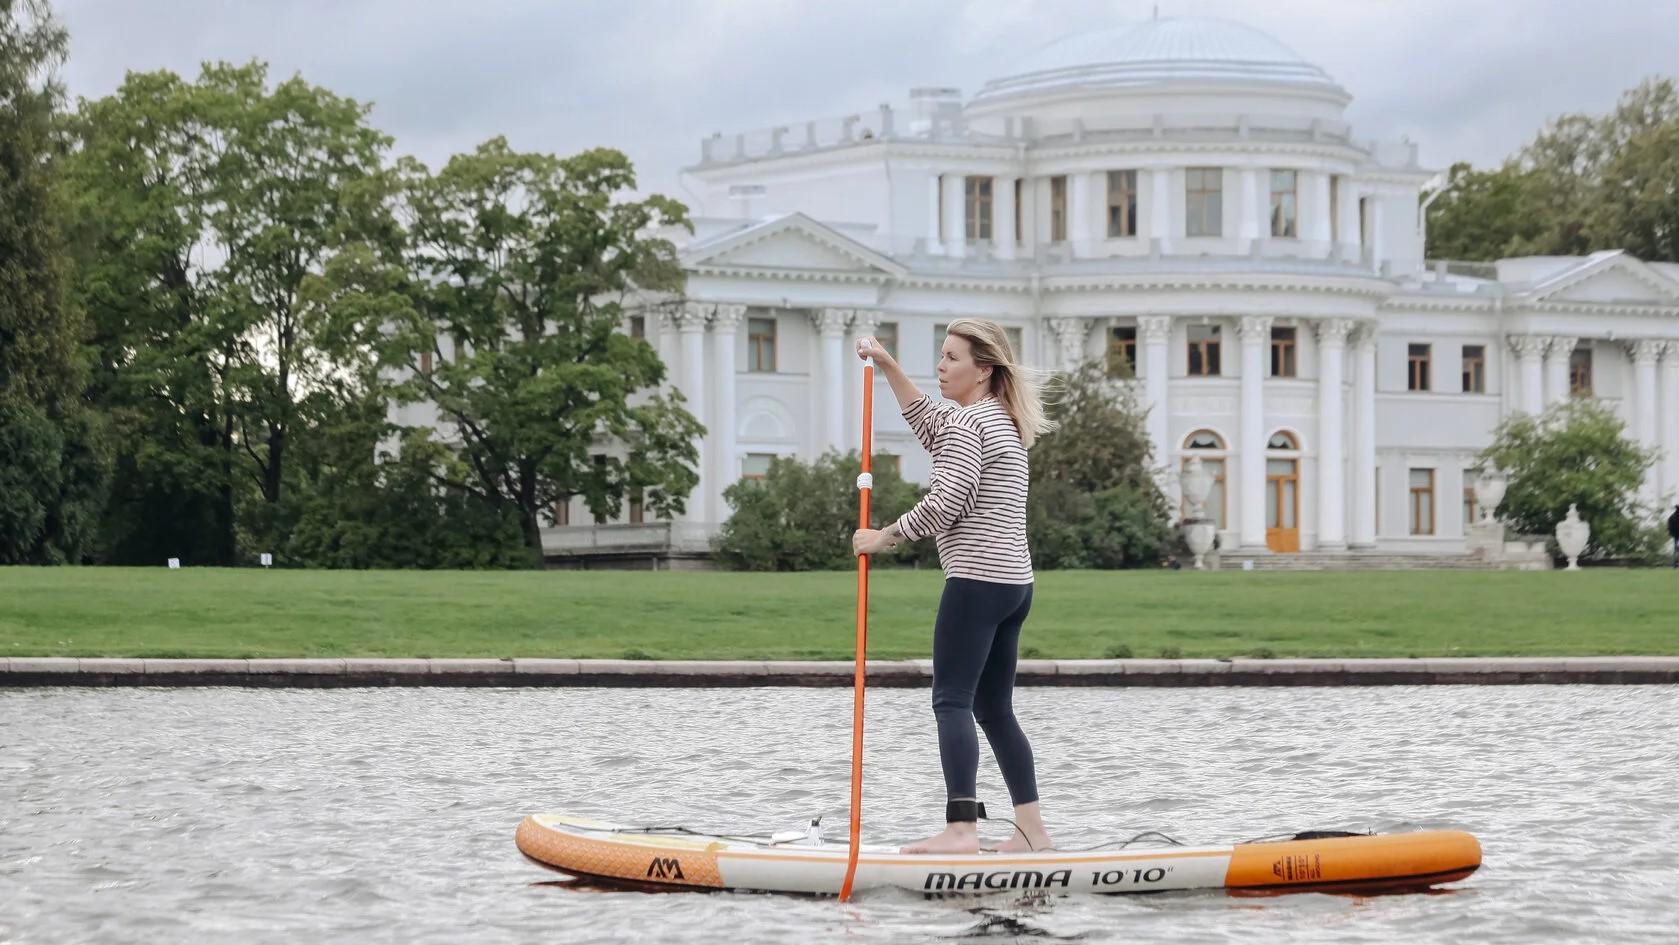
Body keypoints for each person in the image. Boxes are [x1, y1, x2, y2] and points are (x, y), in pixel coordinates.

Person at [851, 319, 1055, 855]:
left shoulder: (969, 426)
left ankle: (962, 829)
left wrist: (885, 537)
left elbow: (948, 504)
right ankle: (1032, 832)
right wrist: (887, 364)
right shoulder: (997, 420)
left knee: (951, 701)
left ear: (983, 369)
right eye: (939, 356)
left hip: (977, 583)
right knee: (994, 709)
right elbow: (923, 417)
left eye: (952, 358)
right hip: (1014, 586)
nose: (940, 366)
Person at [1668, 504, 1679, 569]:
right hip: (1677, 535)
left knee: (1676, 550)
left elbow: (1670, 527)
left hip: (1676, 536)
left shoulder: (1672, 517)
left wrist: (1672, 534)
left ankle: (1675, 564)